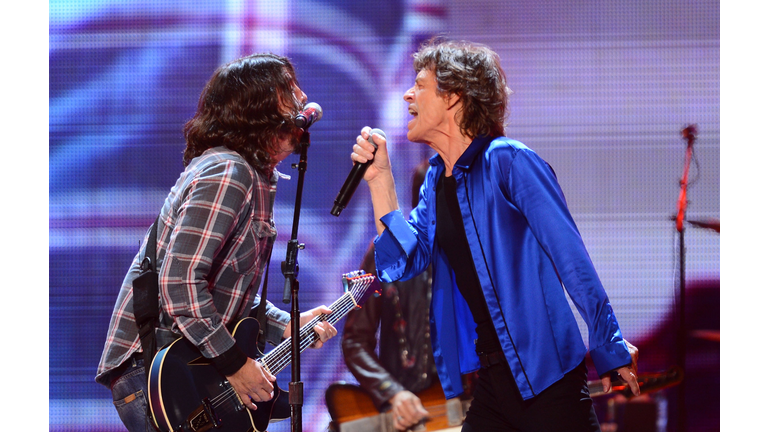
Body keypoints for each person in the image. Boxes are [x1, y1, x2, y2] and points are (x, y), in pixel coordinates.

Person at [350, 40, 640, 432]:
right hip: (493, 378)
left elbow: (571, 260)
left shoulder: (509, 161)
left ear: (453, 97)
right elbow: (400, 261)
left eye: (419, 85)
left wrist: (608, 344)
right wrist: (380, 180)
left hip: (546, 377)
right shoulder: (436, 179)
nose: (408, 94)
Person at [95, 53, 338, 432]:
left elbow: (220, 288)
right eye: (289, 90)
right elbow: (180, 283)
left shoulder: (252, 176)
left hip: (190, 364)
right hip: (161, 370)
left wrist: (284, 325)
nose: (303, 96)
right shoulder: (229, 171)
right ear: (256, 106)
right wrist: (237, 366)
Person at [341, 160, 439, 431]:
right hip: (403, 410)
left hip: (465, 407)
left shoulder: (475, 255)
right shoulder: (382, 252)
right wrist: (393, 393)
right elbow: (354, 341)